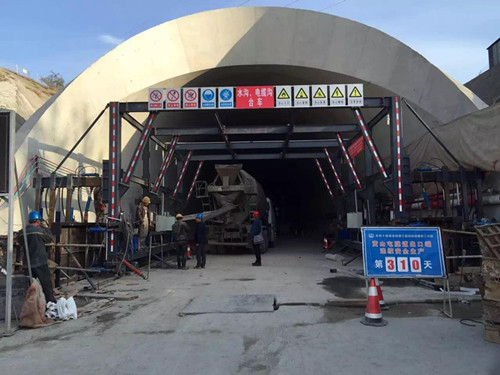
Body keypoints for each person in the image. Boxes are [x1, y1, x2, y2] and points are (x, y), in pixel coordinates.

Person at [19, 211, 56, 304]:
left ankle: (29, 306)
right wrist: (46, 228)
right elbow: (50, 238)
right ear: (38, 222)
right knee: (46, 285)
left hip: (27, 264)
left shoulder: (21, 232)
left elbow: (20, 243)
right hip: (40, 263)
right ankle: (51, 304)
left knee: (29, 288)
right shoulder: (40, 231)